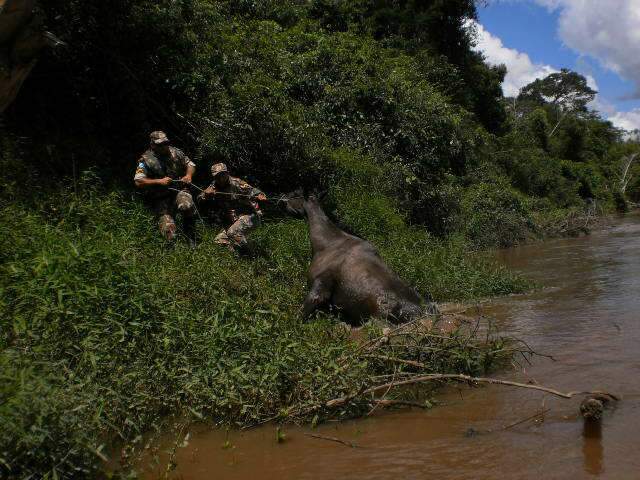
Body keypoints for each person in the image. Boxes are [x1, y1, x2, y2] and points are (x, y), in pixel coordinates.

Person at [134, 131, 197, 243]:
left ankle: (191, 236)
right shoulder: (146, 160)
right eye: (160, 144)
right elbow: (138, 181)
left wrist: (188, 175)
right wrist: (159, 181)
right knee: (169, 232)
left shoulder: (176, 152)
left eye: (166, 143)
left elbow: (190, 164)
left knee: (186, 205)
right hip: (160, 198)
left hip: (178, 191)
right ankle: (173, 250)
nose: (164, 146)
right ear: (153, 145)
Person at [198, 163, 267, 251]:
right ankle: (237, 250)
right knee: (219, 241)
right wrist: (205, 195)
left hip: (250, 216)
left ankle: (252, 252)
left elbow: (253, 190)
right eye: (217, 176)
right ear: (214, 177)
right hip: (233, 220)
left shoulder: (237, 183)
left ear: (227, 173)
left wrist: (260, 195)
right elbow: (199, 198)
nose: (220, 178)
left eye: (222, 174)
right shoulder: (213, 186)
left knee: (233, 232)